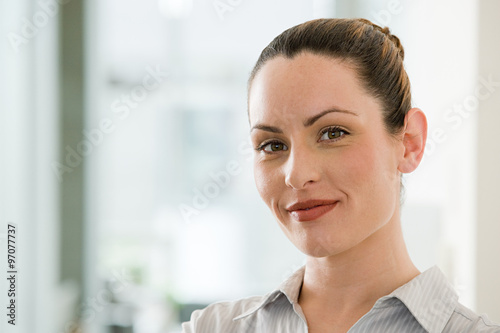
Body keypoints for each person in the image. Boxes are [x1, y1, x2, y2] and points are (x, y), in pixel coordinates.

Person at [182, 18, 500, 332]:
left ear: (409, 144)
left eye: (333, 133)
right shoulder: (213, 327)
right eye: (273, 144)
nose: (296, 175)